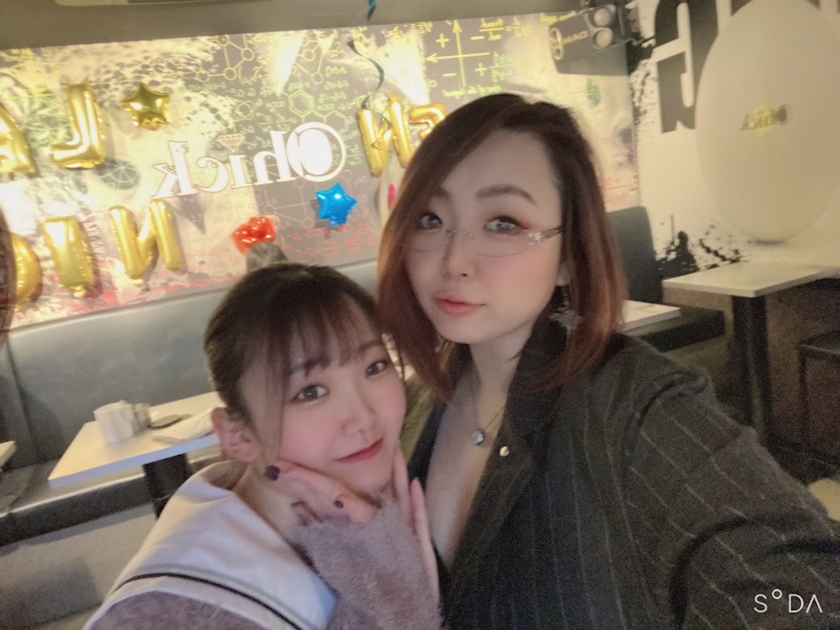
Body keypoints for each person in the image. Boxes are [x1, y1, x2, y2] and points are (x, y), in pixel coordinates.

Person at [373, 93, 840, 628]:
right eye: (430, 218)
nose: (454, 260)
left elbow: (802, 592)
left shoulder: (638, 408)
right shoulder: (410, 406)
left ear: (568, 257)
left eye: (503, 222)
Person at [85, 262, 441, 630]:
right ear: (238, 436)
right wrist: (401, 600)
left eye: (375, 367)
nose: (363, 417)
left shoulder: (374, 515)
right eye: (310, 392)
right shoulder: (170, 612)